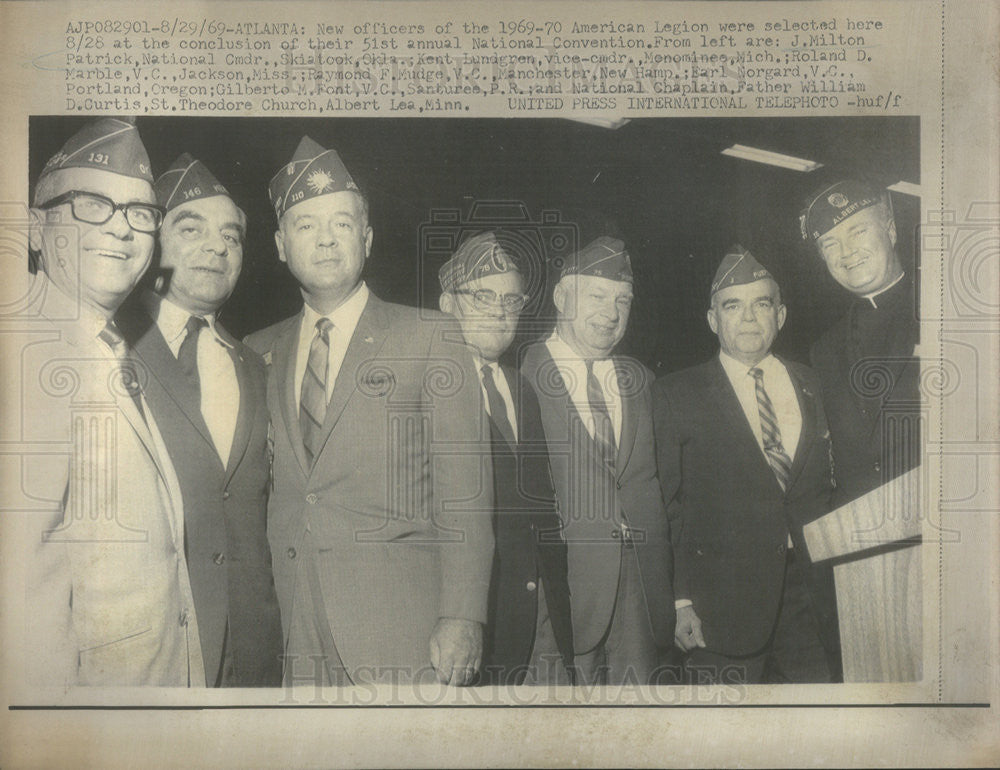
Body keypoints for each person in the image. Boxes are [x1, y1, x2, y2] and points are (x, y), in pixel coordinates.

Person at [245, 137, 493, 687]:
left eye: (342, 223)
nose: (326, 239)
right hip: (290, 624)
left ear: (368, 238)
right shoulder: (256, 351)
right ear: (281, 245)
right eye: (306, 225)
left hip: (401, 627)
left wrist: (463, 614)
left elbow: (466, 494)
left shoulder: (430, 336)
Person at [19, 117, 206, 685]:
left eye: (141, 213)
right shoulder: (28, 358)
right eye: (92, 205)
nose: (122, 230)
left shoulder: (106, 346)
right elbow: (20, 590)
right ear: (34, 229)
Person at [117, 154, 283, 687]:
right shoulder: (111, 347)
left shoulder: (256, 366)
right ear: (150, 239)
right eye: (192, 228)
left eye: (231, 236)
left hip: (256, 656)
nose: (218, 246)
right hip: (153, 654)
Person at [653, 246, 840, 684]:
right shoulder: (676, 394)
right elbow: (668, 508)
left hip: (811, 606)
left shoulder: (814, 383)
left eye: (762, 303)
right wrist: (679, 602)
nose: (749, 318)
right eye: (732, 306)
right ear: (713, 320)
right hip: (720, 612)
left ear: (781, 314)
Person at [521, 236, 674, 686]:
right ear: (561, 296)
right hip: (564, 593)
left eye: (622, 300)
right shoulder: (523, 375)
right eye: (597, 296)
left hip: (643, 592)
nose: (611, 313)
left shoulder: (643, 380)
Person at [437, 231, 574, 685]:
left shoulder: (522, 388)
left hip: (544, 624)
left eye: (511, 300)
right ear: (447, 303)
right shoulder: (427, 391)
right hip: (473, 630)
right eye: (482, 296)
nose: (499, 310)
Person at [800, 179, 920, 504]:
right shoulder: (823, 351)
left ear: (891, 231)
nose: (846, 252)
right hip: (865, 543)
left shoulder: (949, 312)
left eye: (858, 231)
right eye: (829, 244)